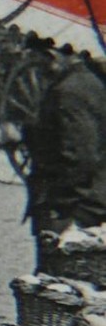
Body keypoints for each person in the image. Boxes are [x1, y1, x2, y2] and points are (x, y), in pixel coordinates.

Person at [23, 46, 106, 261]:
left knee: (56, 275)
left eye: (40, 60)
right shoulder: (92, 83)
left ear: (52, 55)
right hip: (91, 203)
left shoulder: (68, 91)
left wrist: (62, 208)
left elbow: (79, 156)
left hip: (71, 210)